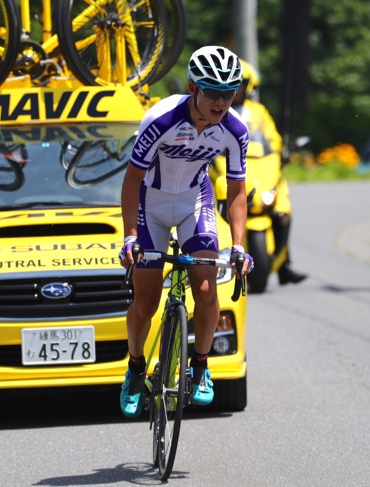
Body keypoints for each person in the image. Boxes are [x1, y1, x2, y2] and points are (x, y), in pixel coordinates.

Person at [118, 46, 254, 418]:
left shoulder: (235, 129)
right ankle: (133, 368)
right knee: (145, 302)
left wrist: (239, 246)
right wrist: (129, 236)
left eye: (230, 92)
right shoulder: (160, 119)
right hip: (152, 204)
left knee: (208, 289)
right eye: (212, 91)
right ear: (194, 87)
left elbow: (237, 188)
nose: (221, 101)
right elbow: (131, 181)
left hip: (196, 201)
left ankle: (201, 365)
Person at [231, 60, 307, 286]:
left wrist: (281, 151)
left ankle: (284, 265)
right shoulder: (218, 109)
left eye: (240, 84)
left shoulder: (259, 112)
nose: (235, 90)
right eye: (232, 84)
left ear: (249, 86)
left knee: (282, 209)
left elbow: (272, 138)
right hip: (230, 169)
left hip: (261, 168)